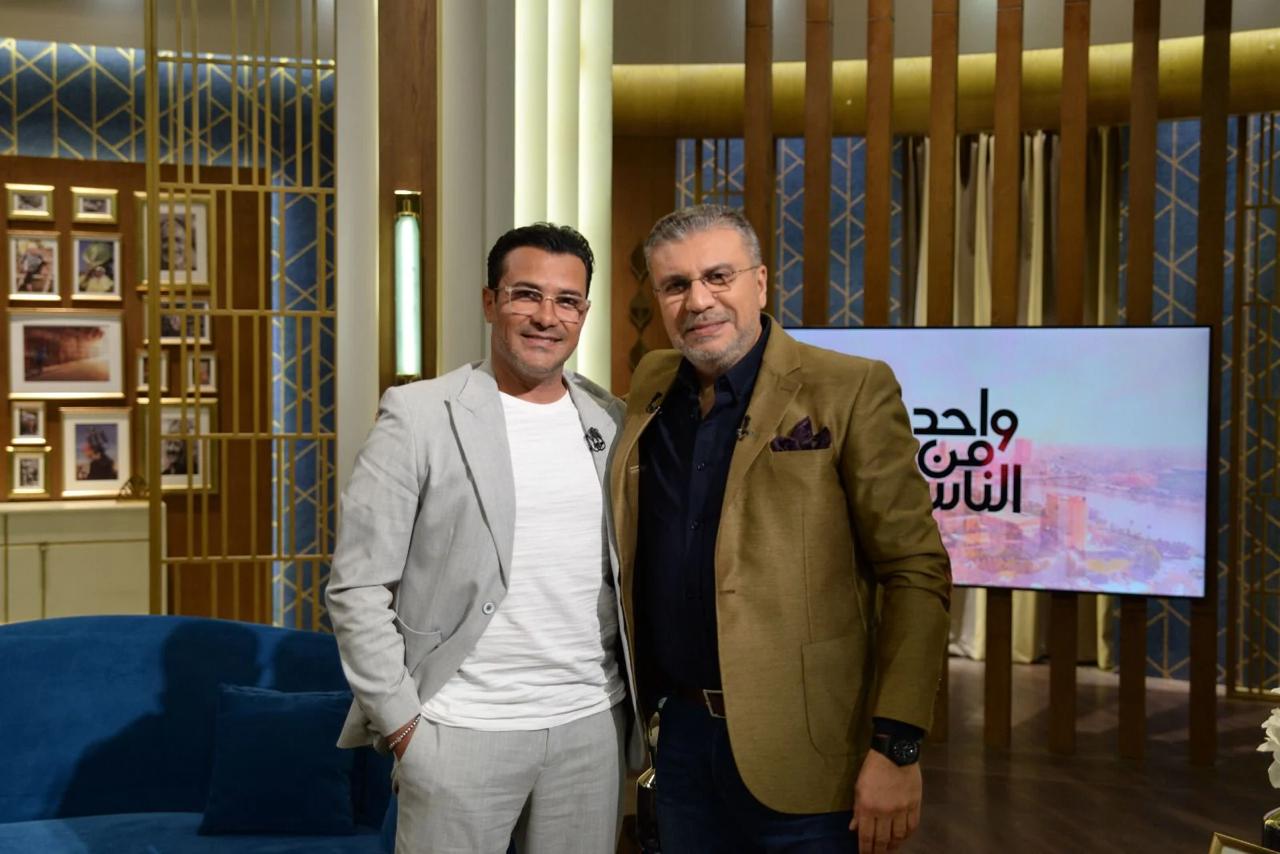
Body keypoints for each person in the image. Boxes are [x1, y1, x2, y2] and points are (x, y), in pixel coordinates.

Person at [609, 205, 952, 854]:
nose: (698, 301)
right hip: (681, 742)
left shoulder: (850, 387)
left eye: (718, 277)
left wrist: (898, 744)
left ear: (761, 283)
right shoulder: (652, 383)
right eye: (675, 285)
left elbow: (915, 570)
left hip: (810, 749)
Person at [328, 223, 635, 853]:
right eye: (526, 295)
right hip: (458, 730)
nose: (546, 316)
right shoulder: (419, 414)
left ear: (583, 314)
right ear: (490, 302)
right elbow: (357, 587)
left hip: (589, 727)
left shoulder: (611, 419)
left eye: (566, 300)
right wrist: (405, 727)